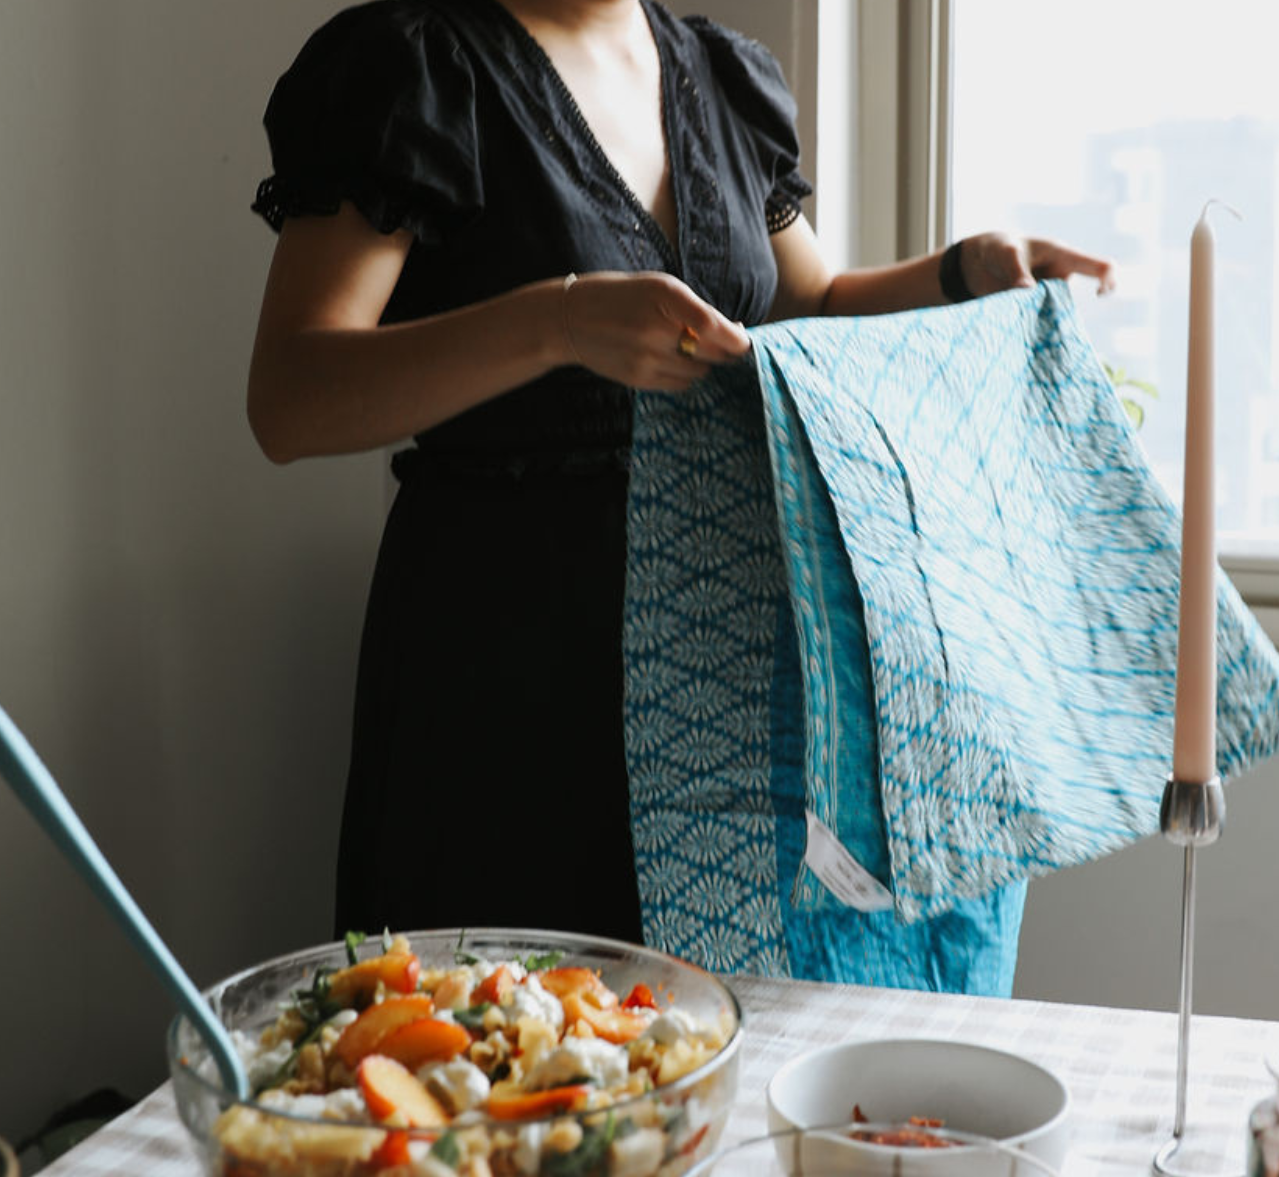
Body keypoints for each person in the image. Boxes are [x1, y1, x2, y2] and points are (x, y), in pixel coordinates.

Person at [248, 0, 1115, 951]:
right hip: (504, 676)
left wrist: (959, 274)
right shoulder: (411, 68)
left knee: (705, 1041)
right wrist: (558, 322)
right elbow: (291, 398)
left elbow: (806, 305)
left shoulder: (720, 76)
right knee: (503, 1046)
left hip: (720, 680)